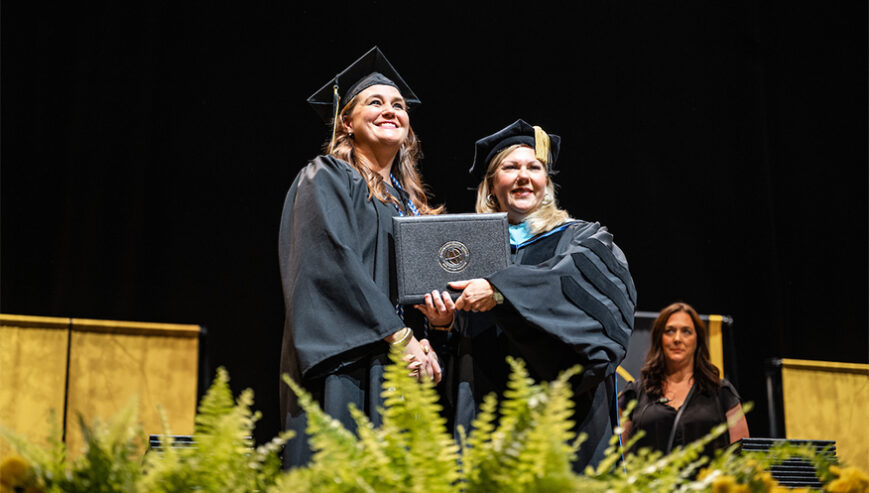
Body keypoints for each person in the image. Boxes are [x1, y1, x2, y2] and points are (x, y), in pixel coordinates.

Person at [417, 119, 636, 470]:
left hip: (566, 423)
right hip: (488, 422)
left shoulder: (584, 239)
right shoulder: (466, 254)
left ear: (546, 182)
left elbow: (596, 315)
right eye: (510, 167)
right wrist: (443, 327)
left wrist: (501, 291)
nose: (523, 176)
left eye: (534, 167)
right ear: (491, 184)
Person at [279, 47, 446, 468]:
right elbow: (330, 264)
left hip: (402, 370)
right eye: (375, 102)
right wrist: (399, 337)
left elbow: (416, 295)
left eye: (399, 106)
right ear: (345, 121)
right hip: (347, 368)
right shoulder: (328, 177)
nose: (390, 111)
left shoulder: (410, 205)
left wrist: (432, 332)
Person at [618, 302, 749, 456]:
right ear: (659, 338)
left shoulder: (722, 393)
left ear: (698, 340)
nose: (677, 339)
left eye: (686, 331)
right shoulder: (634, 393)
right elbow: (618, 458)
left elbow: (743, 459)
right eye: (669, 331)